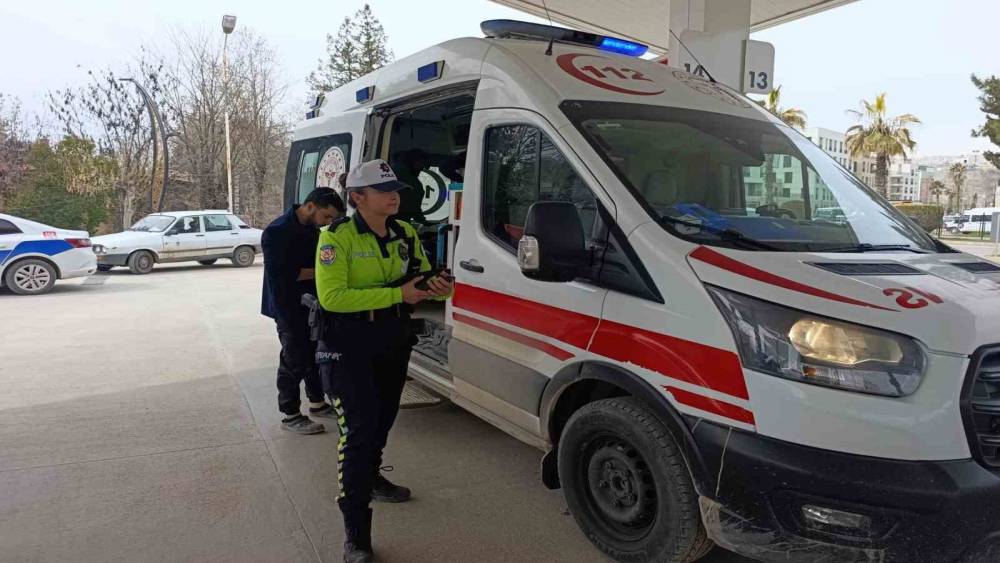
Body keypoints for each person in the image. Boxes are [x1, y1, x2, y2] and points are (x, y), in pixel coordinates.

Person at [315, 159, 452, 563]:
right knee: (357, 435)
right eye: (383, 190)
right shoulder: (335, 237)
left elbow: (425, 284)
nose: (394, 196)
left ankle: (373, 478)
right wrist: (398, 294)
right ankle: (356, 533)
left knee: (381, 423)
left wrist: (437, 286)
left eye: (395, 190)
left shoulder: (405, 232)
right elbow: (332, 298)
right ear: (358, 197)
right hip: (346, 347)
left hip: (392, 343)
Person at [261, 187, 346, 434]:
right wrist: (327, 272)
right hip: (287, 306)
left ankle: (317, 403)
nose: (328, 222)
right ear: (310, 206)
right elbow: (283, 275)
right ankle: (290, 415)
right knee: (294, 358)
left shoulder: (313, 229)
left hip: (313, 303)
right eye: (326, 216)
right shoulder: (276, 232)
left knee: (315, 354)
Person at [392, 149, 430, 224]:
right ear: (413, 161)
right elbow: (410, 201)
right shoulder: (401, 173)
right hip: (395, 219)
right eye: (421, 163)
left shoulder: (411, 178)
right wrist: (420, 219)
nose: (422, 168)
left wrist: (420, 219)